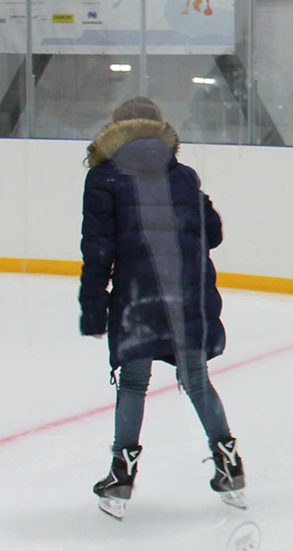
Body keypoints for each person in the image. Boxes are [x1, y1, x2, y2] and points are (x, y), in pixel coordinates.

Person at [80, 97, 246, 519]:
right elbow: (213, 234)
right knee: (197, 380)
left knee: (134, 384)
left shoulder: (103, 177)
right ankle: (229, 467)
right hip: (186, 294)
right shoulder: (182, 174)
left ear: (115, 130)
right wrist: (195, 199)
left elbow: (98, 250)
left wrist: (94, 310)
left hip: (138, 298)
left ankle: (121, 476)